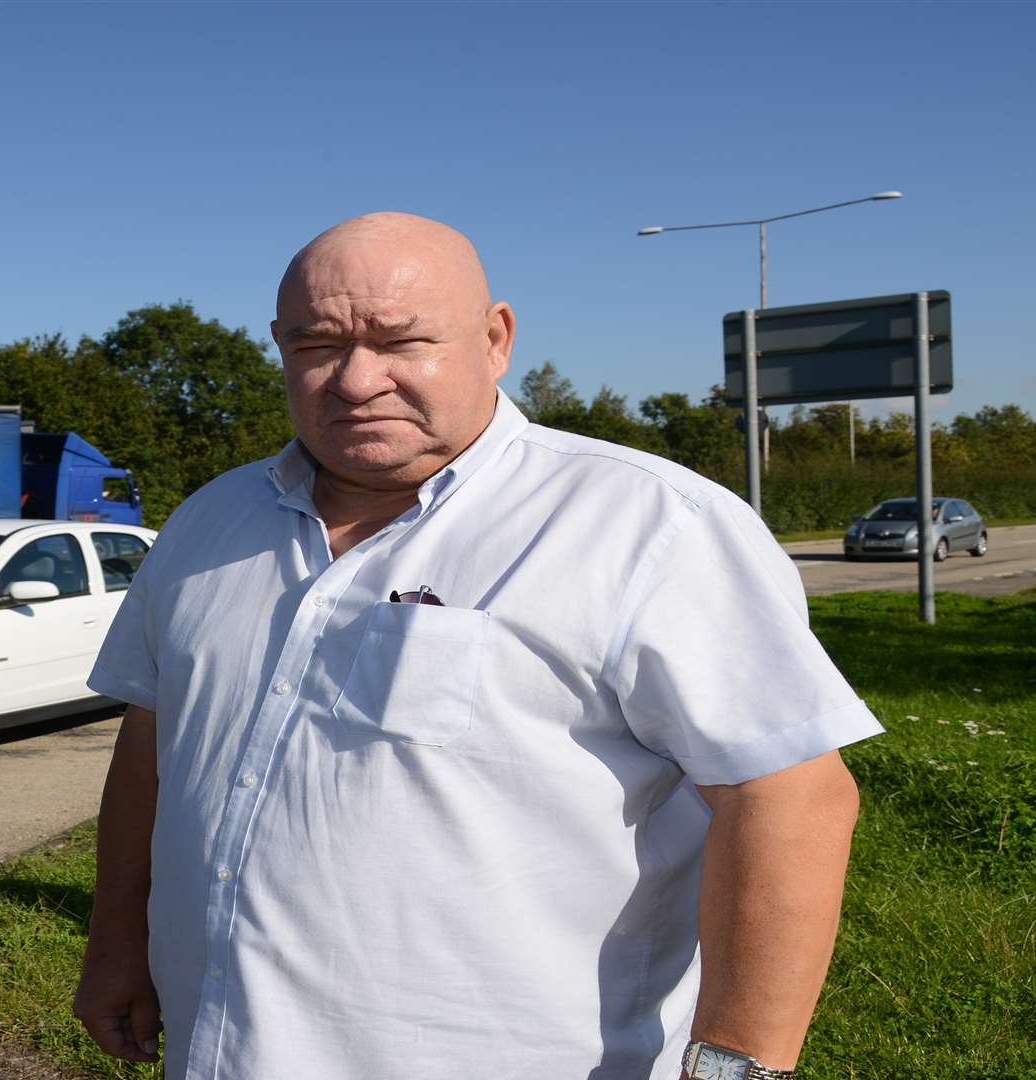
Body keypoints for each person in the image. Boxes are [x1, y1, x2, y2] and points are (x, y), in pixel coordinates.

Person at [74, 212, 880, 1079]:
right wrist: (117, 938)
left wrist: (736, 1067)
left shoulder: (648, 527)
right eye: (316, 346)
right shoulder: (208, 522)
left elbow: (789, 802)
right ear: (279, 346)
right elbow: (156, 742)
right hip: (219, 1050)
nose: (355, 380)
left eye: (401, 340)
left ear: (495, 339)